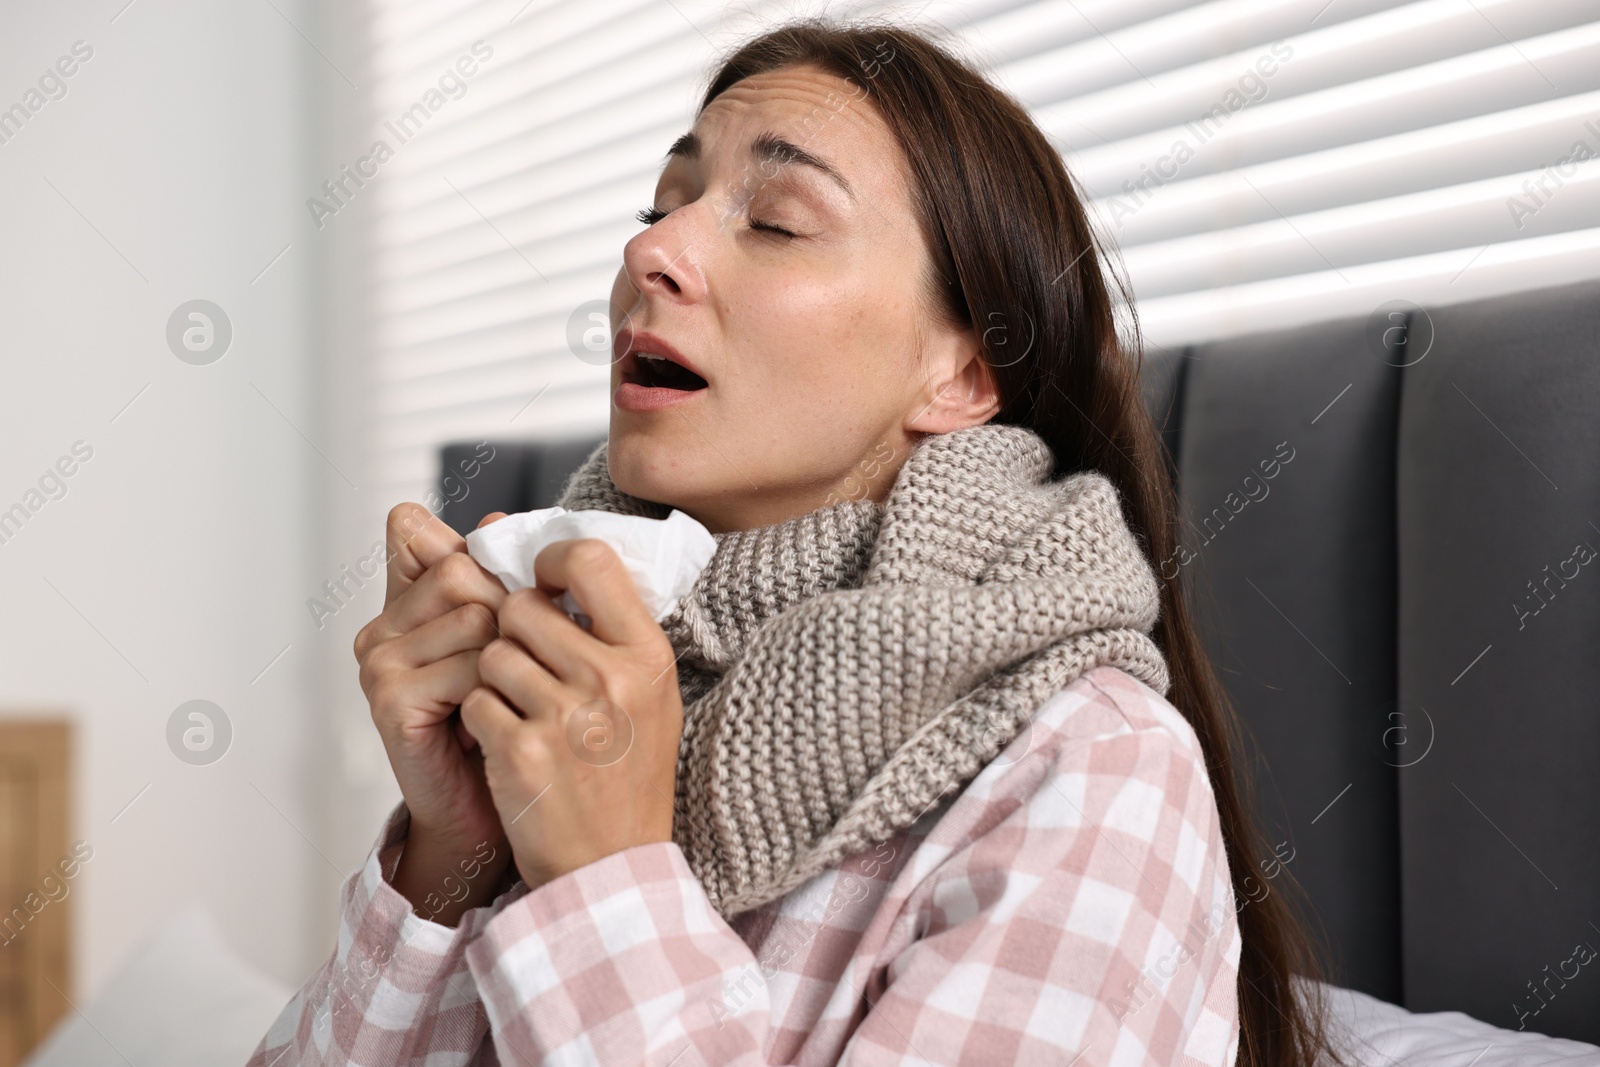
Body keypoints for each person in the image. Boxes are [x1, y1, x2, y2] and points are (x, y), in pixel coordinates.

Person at [250, 17, 1345, 1067]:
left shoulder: (1092, 769)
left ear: (963, 373)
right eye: (660, 205)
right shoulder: (557, 709)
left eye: (773, 221)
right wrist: (453, 851)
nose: (652, 248)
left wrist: (605, 878)